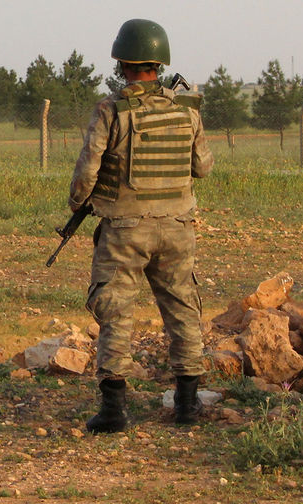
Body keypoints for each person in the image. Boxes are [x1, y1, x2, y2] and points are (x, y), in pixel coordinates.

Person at [68, 19, 214, 434]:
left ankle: (114, 412)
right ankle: (187, 406)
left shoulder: (111, 110)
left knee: (115, 312)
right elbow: (203, 167)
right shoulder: (187, 108)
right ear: (159, 62)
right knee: (182, 309)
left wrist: (79, 204)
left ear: (122, 65)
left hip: (125, 229)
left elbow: (86, 173)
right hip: (178, 227)